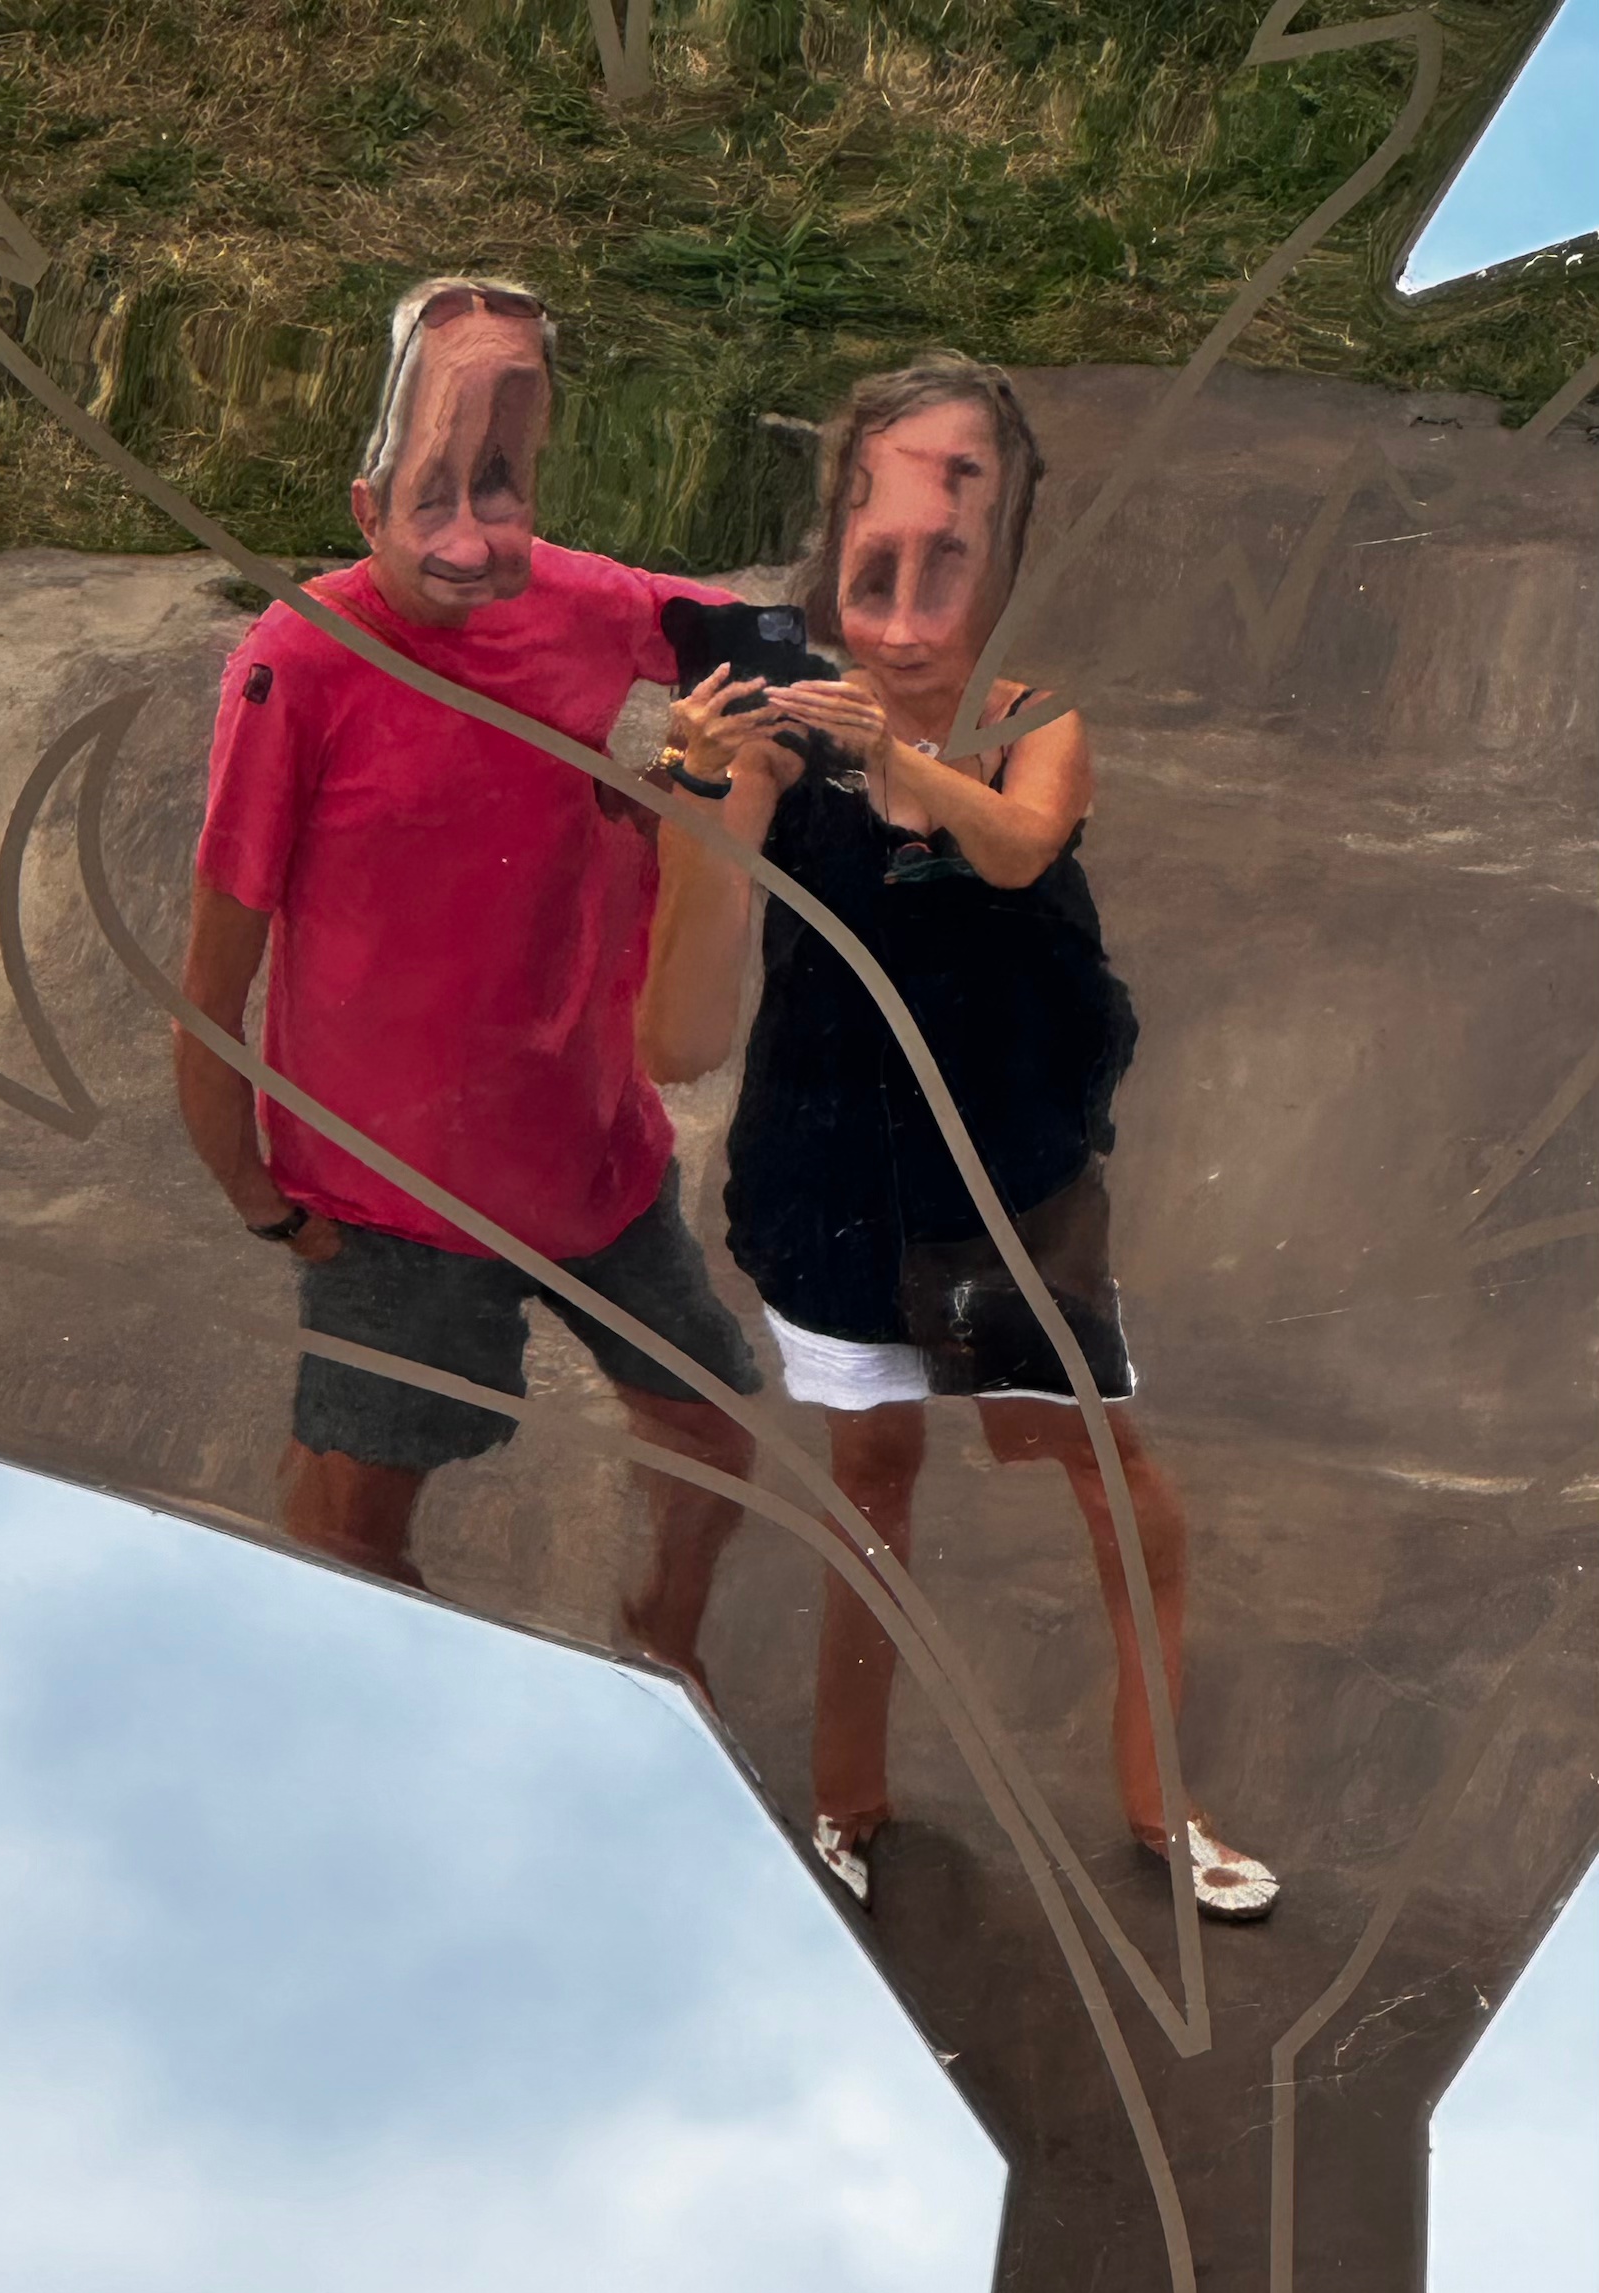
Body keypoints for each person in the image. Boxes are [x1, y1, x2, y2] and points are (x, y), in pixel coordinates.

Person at [638, 353, 1278, 1917]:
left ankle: (1159, 1802)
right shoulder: (768, 753)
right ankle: (846, 1800)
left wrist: (884, 754)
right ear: (826, 568)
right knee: (870, 1482)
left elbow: (1012, 848)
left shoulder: (1030, 722)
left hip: (1009, 1190)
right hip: (832, 1184)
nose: (911, 621)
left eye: (951, 565)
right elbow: (678, 1037)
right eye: (876, 571)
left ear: (1005, 569)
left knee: (1109, 1477)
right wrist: (696, 806)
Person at [176, 274, 781, 1695]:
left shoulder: (574, 601)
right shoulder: (294, 669)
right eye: (428, 500)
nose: (467, 540)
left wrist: (827, 703)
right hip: (393, 1196)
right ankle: (347, 1718)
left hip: (590, 1152)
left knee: (712, 1436)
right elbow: (214, 981)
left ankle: (663, 1658)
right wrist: (259, 1199)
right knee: (356, 1520)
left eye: (497, 493)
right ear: (363, 506)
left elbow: (758, 642)